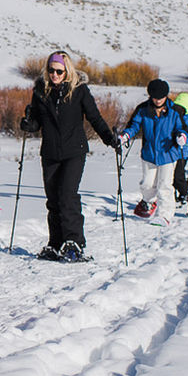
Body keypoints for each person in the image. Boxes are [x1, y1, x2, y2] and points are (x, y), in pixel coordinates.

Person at [18, 50, 118, 262]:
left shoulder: (79, 90)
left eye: (59, 71)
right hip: (50, 152)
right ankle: (55, 243)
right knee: (53, 199)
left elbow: (94, 117)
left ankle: (74, 242)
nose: (54, 75)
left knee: (67, 195)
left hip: (74, 151)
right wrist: (27, 124)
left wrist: (110, 139)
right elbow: (36, 122)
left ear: (67, 71)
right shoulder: (40, 91)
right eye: (51, 70)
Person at [119, 79, 188, 226]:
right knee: (147, 184)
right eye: (155, 97)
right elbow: (134, 125)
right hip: (149, 154)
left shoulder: (174, 111)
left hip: (168, 154)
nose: (158, 100)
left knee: (165, 186)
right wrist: (126, 136)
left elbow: (181, 128)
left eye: (161, 98)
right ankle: (149, 202)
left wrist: (181, 136)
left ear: (166, 96)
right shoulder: (143, 109)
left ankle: (164, 216)